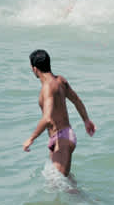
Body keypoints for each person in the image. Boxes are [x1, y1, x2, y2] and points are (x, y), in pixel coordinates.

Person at [21, 49, 96, 177]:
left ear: (34, 68)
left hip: (62, 138)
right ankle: (83, 197)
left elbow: (47, 118)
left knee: (59, 183)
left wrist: (31, 138)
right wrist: (86, 120)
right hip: (59, 138)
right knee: (61, 183)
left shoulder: (48, 87)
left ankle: (91, 198)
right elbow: (76, 100)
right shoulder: (60, 81)